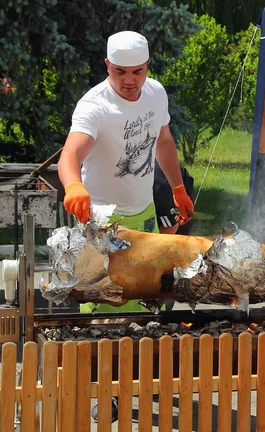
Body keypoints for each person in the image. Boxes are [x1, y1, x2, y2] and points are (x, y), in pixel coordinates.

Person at [58, 30, 194, 422]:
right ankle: (98, 393)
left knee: (140, 299)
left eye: (137, 71)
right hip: (101, 219)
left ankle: (127, 382)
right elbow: (71, 152)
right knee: (100, 303)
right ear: (107, 67)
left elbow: (164, 141)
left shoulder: (155, 94)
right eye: (120, 72)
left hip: (144, 210)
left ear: (148, 67)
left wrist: (179, 188)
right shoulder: (95, 106)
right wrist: (73, 185)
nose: (129, 80)